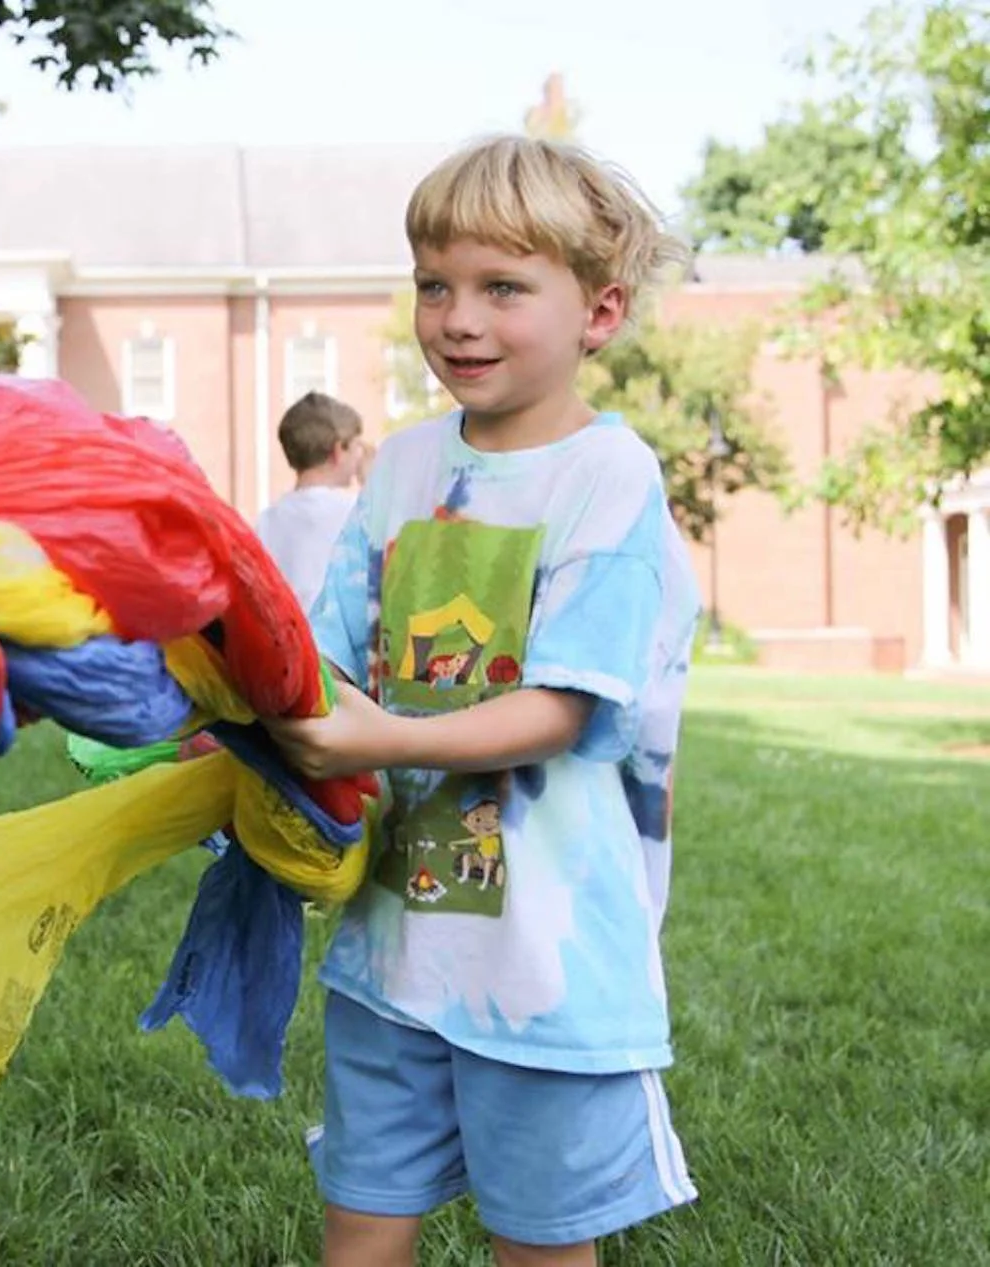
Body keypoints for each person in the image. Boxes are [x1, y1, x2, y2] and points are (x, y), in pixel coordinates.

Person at [264, 135, 701, 1266]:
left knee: (538, 1242)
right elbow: (326, 656)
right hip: (394, 944)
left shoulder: (607, 475)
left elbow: (562, 706)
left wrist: (381, 730)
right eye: (434, 284)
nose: (457, 317)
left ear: (597, 313)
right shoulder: (402, 468)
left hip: (542, 964)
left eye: (503, 287)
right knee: (360, 1216)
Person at [255, 391, 368, 613]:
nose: (360, 455)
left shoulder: (266, 522)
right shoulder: (355, 512)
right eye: (356, 446)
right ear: (337, 451)